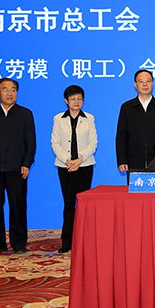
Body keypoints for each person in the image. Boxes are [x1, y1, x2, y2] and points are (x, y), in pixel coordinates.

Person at [0, 78, 36, 255]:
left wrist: (26, 163)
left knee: (18, 207)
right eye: (5, 89)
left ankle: (19, 243)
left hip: (17, 169)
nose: (10, 93)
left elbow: (31, 142)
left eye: (13, 89)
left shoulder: (25, 114)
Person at [51, 85, 97, 254]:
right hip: (65, 167)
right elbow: (55, 143)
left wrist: (79, 160)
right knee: (69, 203)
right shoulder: (58, 118)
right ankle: (67, 241)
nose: (76, 102)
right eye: (72, 99)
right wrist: (68, 161)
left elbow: (93, 143)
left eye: (79, 99)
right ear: (66, 101)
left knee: (83, 204)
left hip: (85, 166)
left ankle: (84, 241)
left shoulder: (89, 118)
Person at [116, 69, 155, 174]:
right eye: (141, 81)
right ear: (135, 84)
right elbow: (121, 136)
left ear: (152, 83)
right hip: (133, 160)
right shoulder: (127, 107)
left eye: (148, 81)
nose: (145, 84)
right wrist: (122, 160)